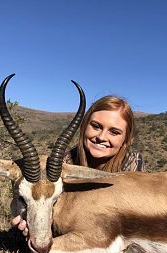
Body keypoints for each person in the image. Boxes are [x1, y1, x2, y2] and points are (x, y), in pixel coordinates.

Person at [12, 95, 145, 236]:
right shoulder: (61, 163)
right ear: (83, 126)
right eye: (96, 126)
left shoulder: (132, 163)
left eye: (114, 132)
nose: (102, 137)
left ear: (126, 139)